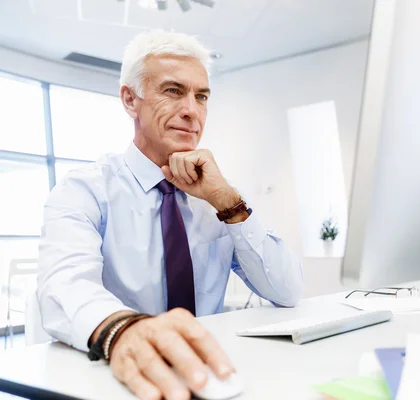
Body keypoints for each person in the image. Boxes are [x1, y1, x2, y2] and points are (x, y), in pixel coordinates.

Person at [37, 31, 304, 400]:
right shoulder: (85, 190)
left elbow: (288, 291)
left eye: (202, 96)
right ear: (131, 100)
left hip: (212, 375)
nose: (192, 110)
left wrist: (229, 202)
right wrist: (125, 330)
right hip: (120, 380)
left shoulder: (217, 197)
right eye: (173, 91)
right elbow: (62, 287)